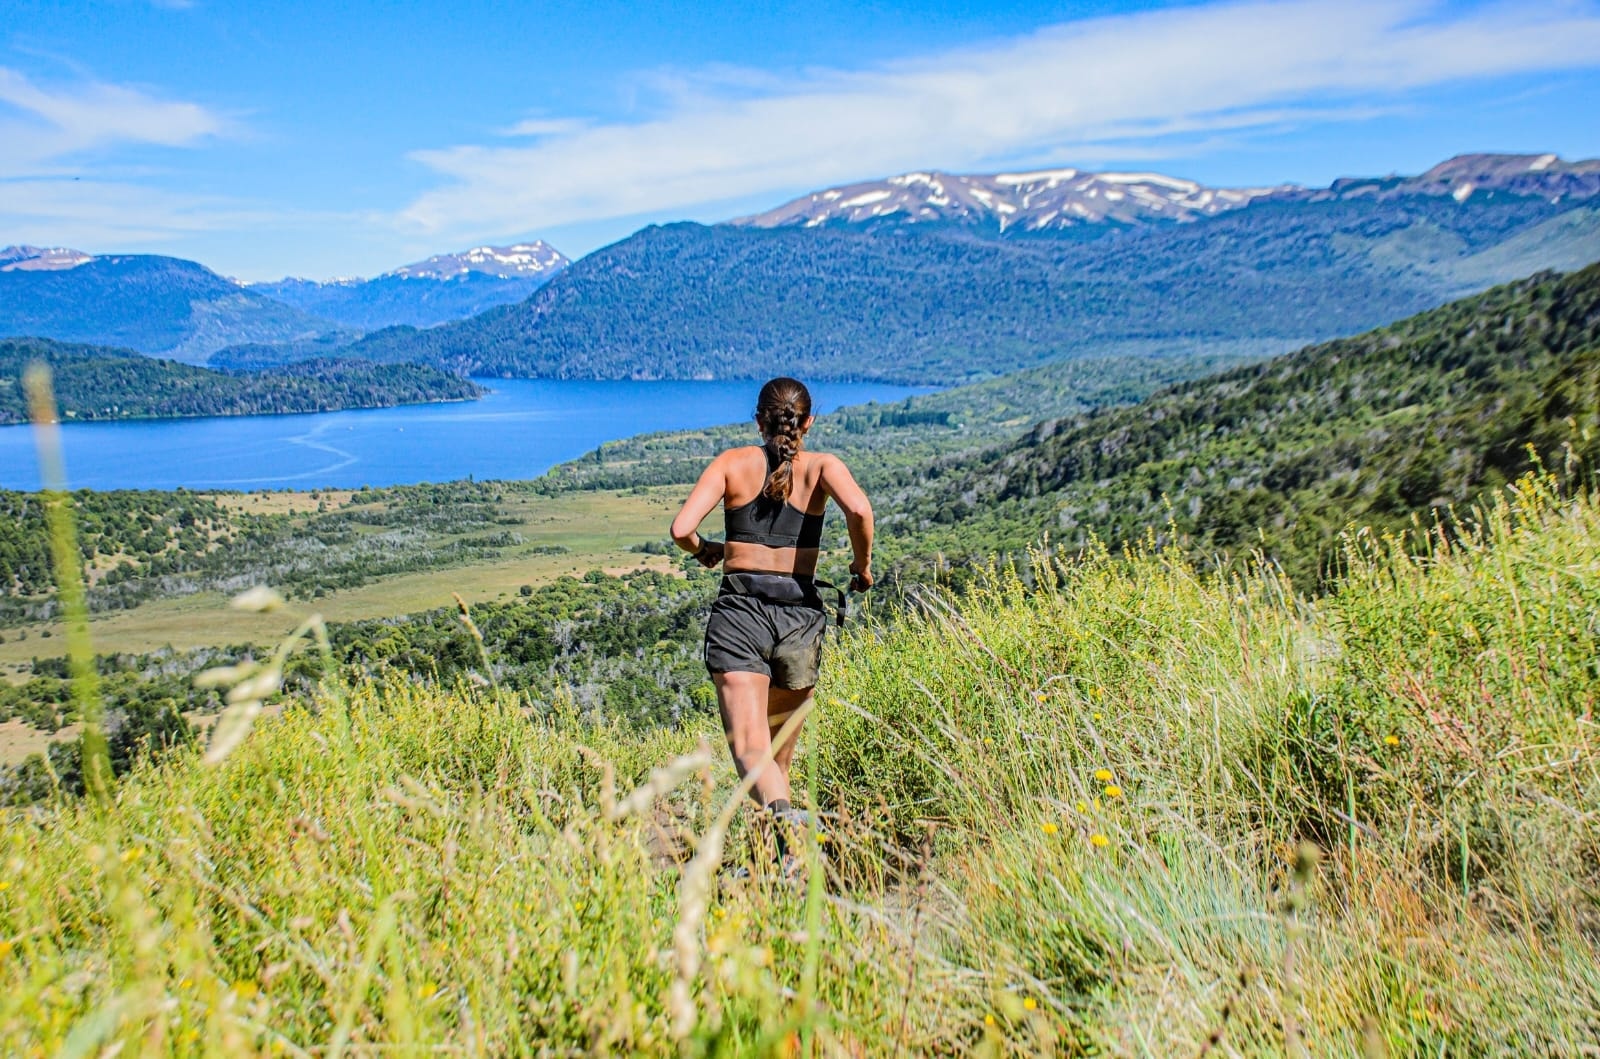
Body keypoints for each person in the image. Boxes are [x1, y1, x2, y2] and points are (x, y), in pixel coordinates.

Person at [670, 377, 874, 837]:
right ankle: (781, 859)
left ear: (759, 420)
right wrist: (862, 568)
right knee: (776, 755)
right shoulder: (822, 466)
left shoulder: (731, 463)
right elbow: (860, 511)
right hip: (800, 617)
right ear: (808, 422)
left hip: (741, 613)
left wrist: (704, 549)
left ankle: (783, 834)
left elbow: (682, 528)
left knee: (749, 747)